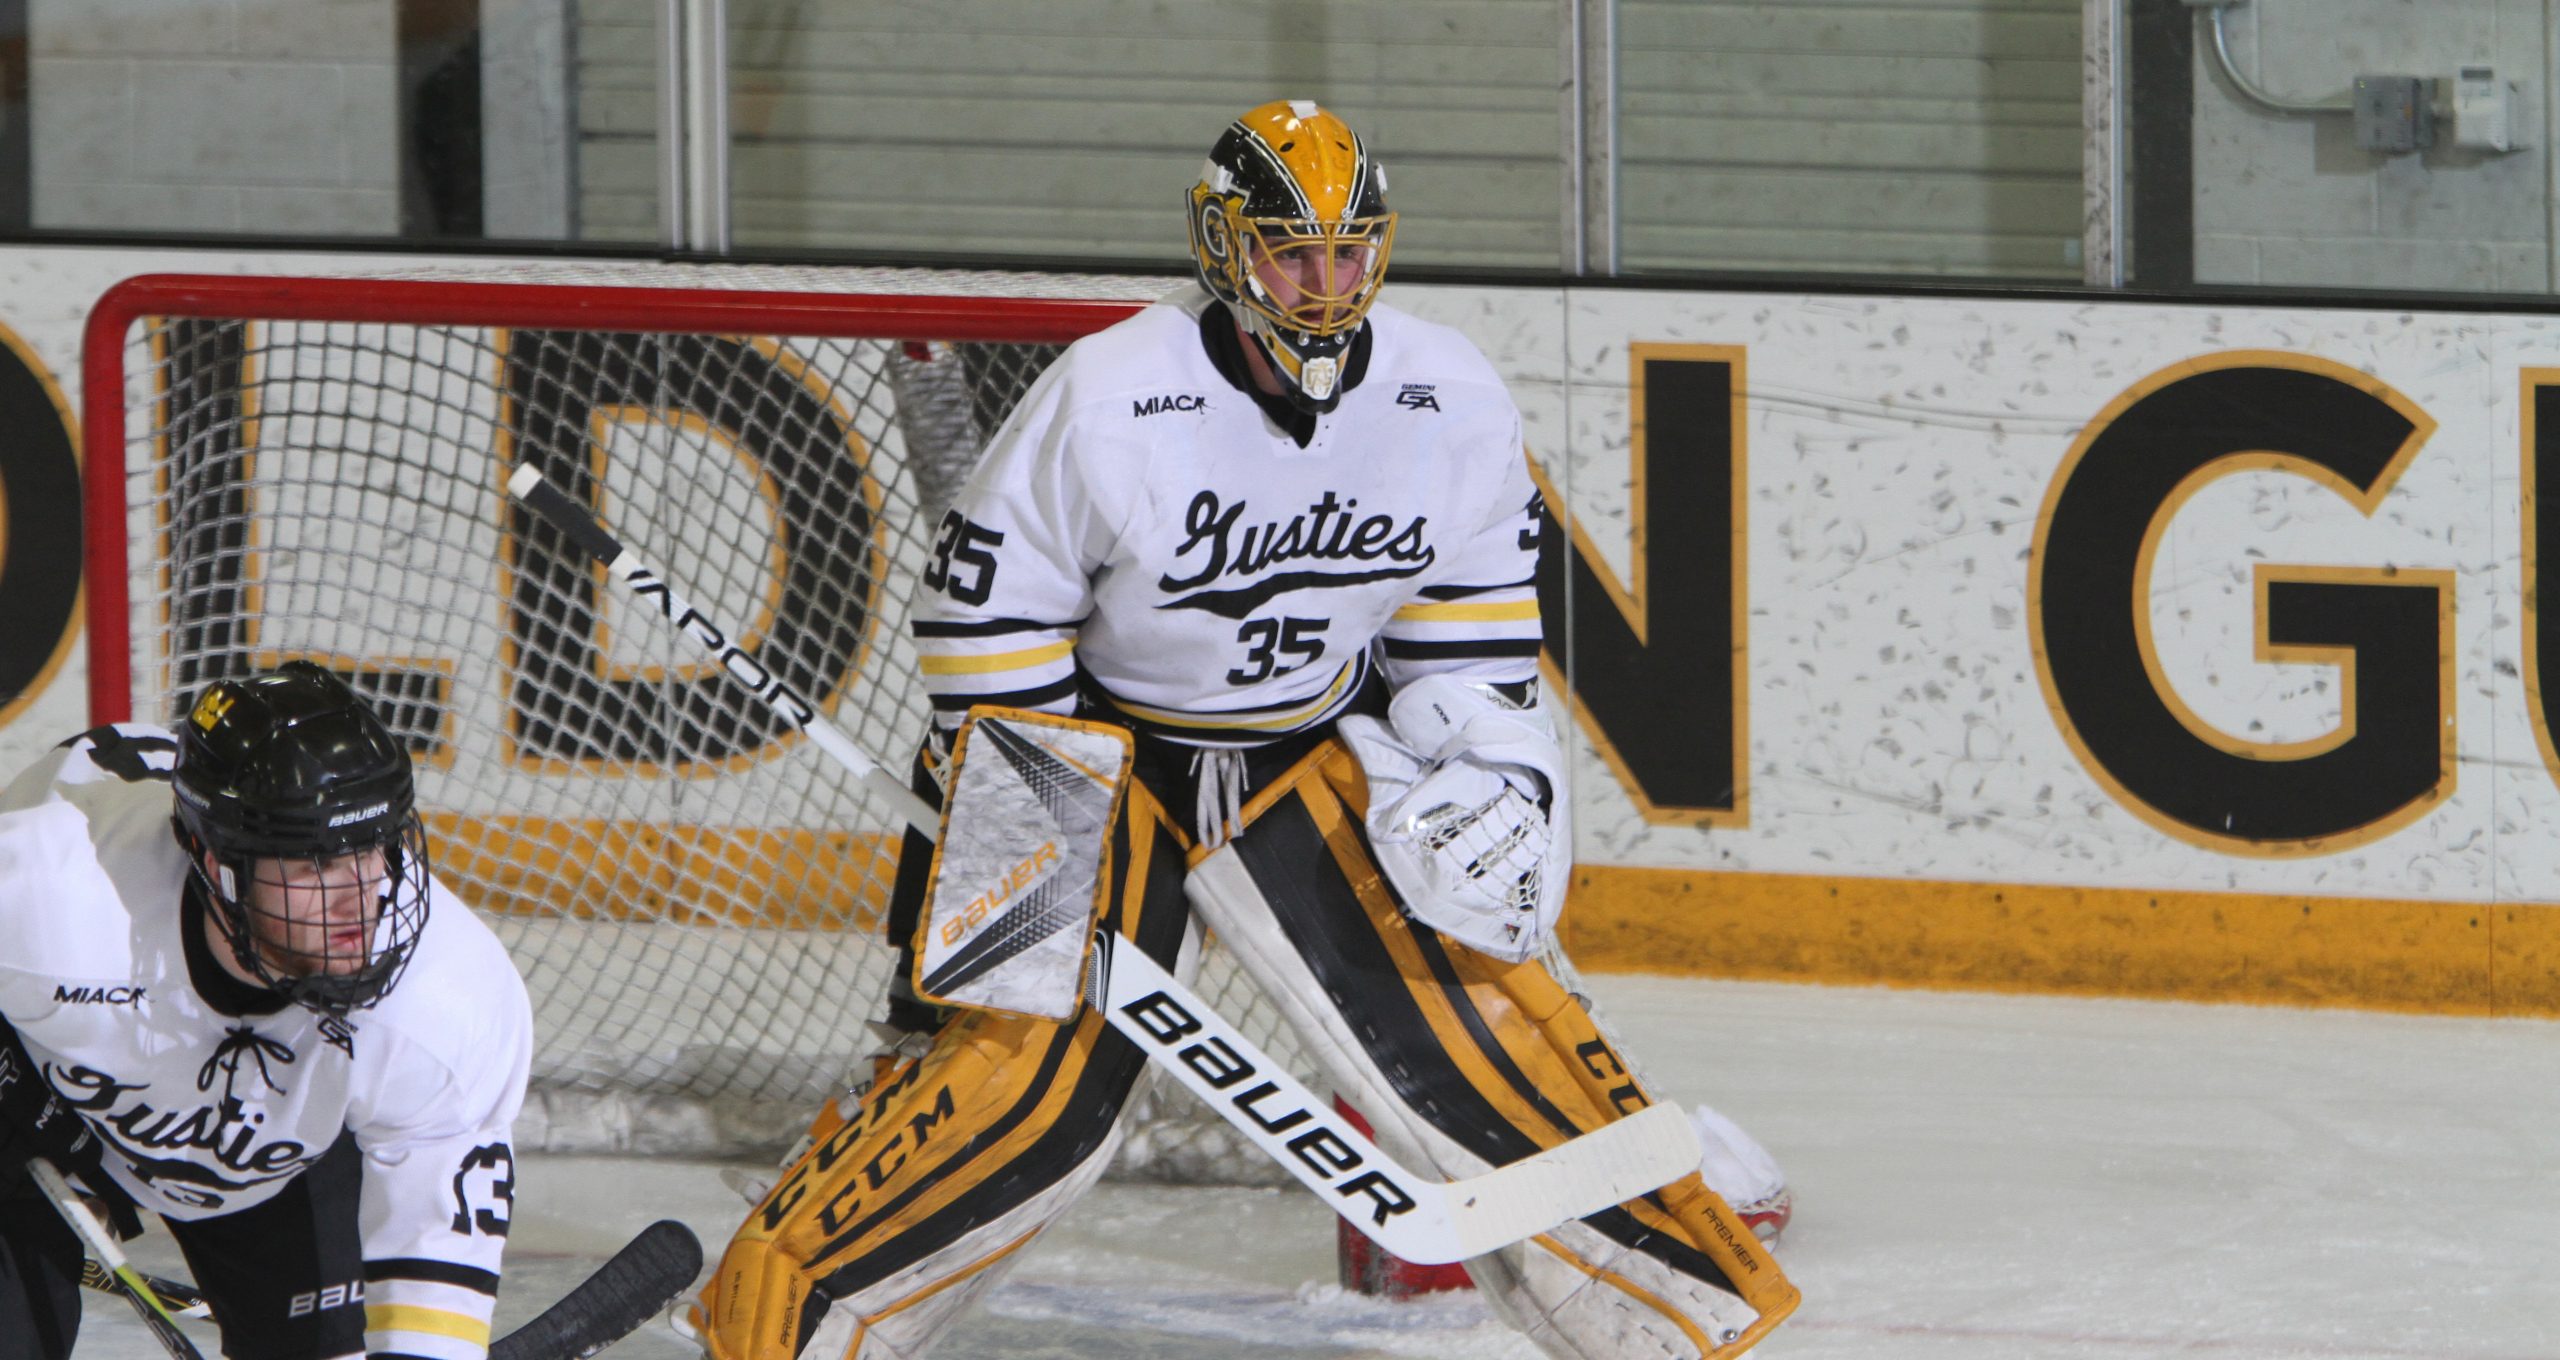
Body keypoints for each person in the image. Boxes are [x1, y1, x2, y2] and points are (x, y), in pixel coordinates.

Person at [693, 100, 1799, 1360]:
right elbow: (984, 617)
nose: (1325, 286)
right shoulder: (1112, 390)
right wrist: (1043, 832)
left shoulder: (1449, 394)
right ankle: (777, 1324)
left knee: (1500, 1041)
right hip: (1085, 747)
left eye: (1348, 251)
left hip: (1305, 747)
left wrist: (1486, 760)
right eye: (1291, 252)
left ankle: (1674, 1327)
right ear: (1224, 250)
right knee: (1024, 1085)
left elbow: (1469, 608)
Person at [0, 661, 532, 1360]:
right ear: (217, 862)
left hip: (275, 1164)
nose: (360, 897)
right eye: (314, 863)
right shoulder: (53, 900)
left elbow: (433, 1286)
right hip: (47, 1101)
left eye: (372, 847)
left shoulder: (446, 996)